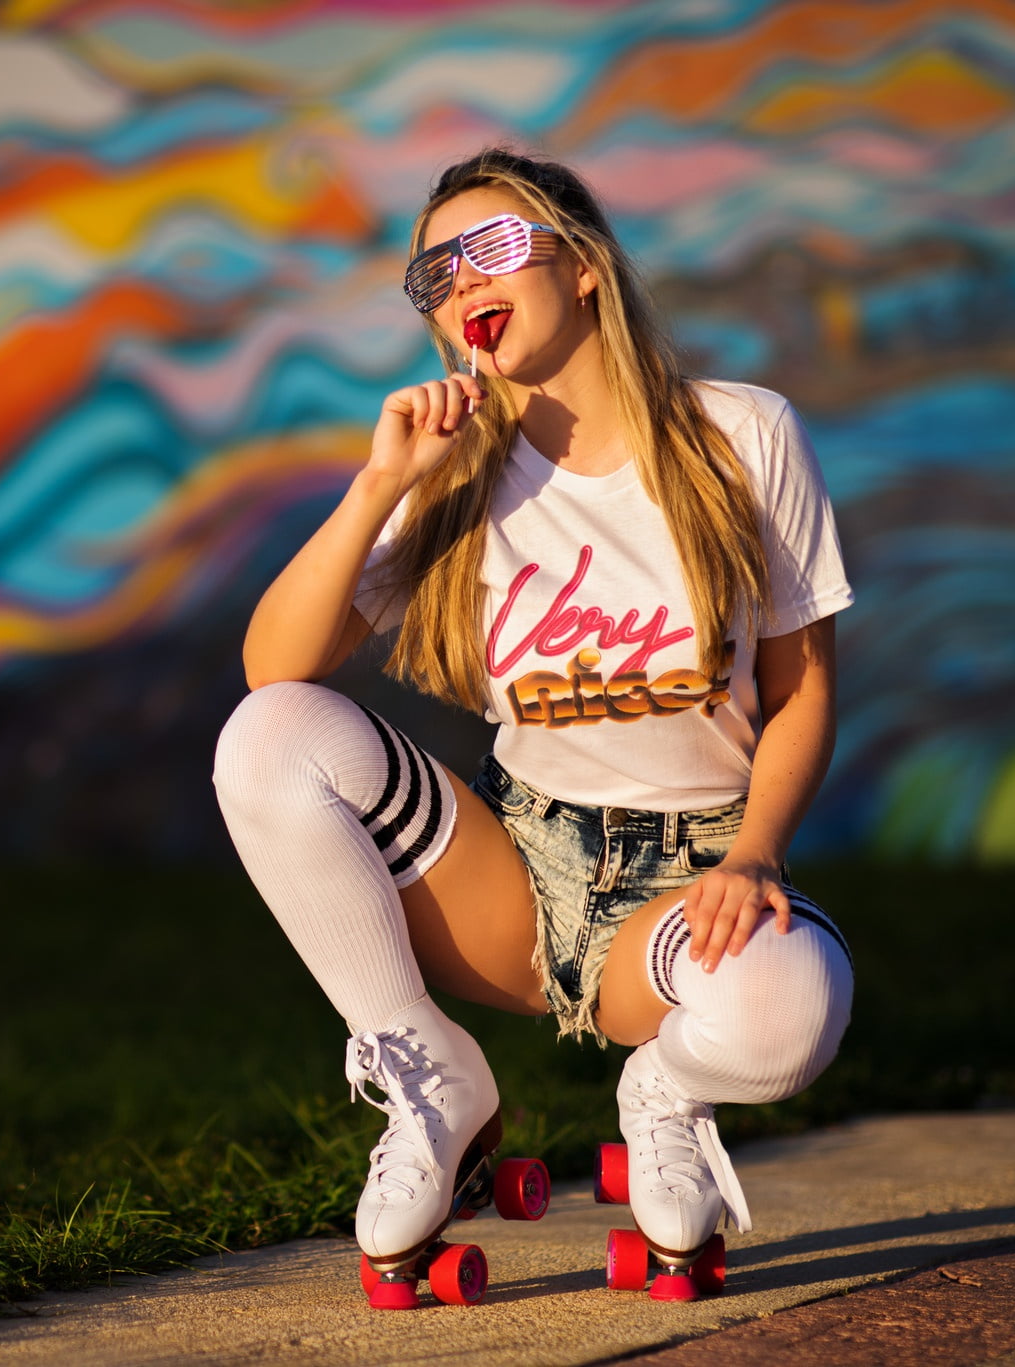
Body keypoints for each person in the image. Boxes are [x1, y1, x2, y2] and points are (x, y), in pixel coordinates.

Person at [213, 148, 855, 1307]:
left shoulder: (739, 435)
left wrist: (754, 852)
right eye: (433, 274)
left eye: (494, 247)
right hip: (514, 871)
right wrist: (379, 482)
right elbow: (272, 670)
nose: (462, 282)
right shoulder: (454, 467)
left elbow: (802, 685)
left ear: (588, 266)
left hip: (687, 886)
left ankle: (662, 1092)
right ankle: (425, 1075)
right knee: (268, 738)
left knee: (791, 1011)